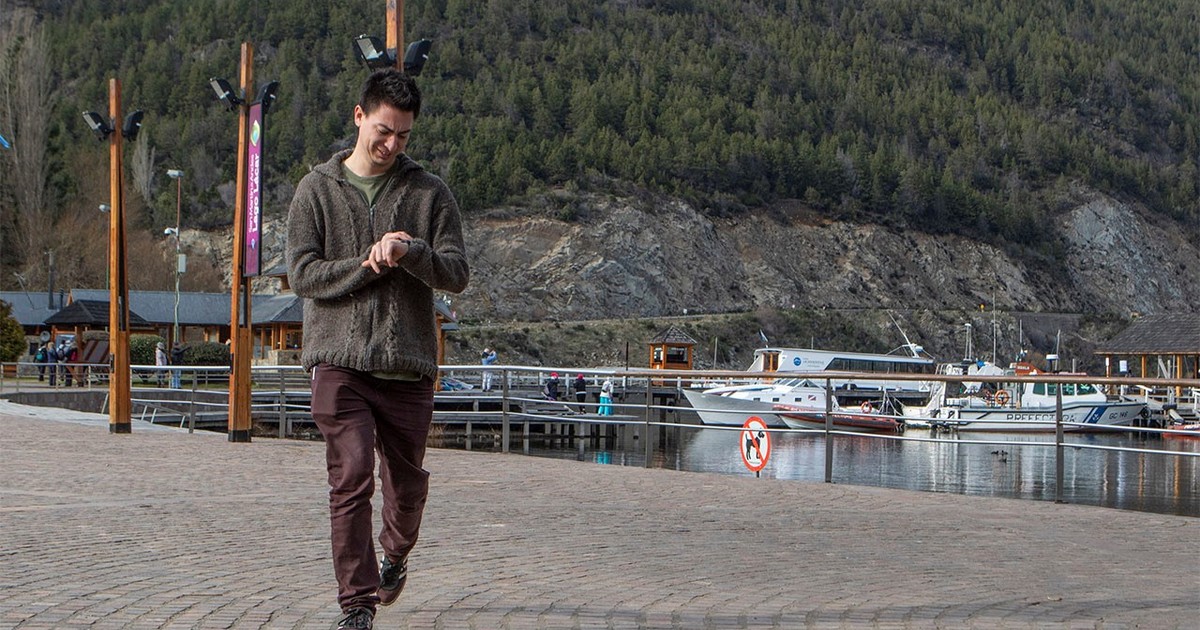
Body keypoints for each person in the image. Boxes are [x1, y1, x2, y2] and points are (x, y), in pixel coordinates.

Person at [286, 68, 469, 630]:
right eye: (383, 131)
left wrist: (411, 251)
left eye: (403, 135)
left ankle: (395, 555)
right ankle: (357, 605)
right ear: (359, 116)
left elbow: (457, 274)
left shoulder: (429, 193)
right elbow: (302, 274)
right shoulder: (315, 190)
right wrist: (367, 264)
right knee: (352, 476)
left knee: (406, 489)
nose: (392, 144)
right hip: (338, 363)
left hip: (408, 367)